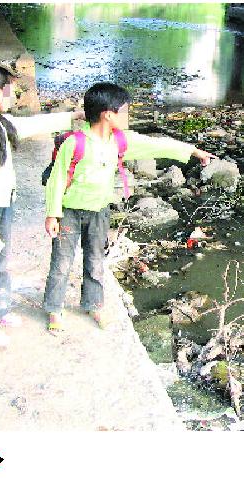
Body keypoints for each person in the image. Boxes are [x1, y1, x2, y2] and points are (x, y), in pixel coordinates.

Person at [43, 82, 216, 333]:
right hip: (69, 211)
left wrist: (193, 150)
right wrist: (52, 214)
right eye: (124, 111)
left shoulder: (121, 141)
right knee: (61, 263)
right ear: (108, 114)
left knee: (95, 261)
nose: (128, 115)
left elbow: (158, 144)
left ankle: (94, 304)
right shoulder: (76, 143)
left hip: (100, 211)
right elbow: (57, 180)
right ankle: (54, 309)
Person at [0, 63, 84, 346]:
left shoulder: (0, 124)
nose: (12, 97)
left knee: (0, 262)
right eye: (9, 91)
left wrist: (73, 115)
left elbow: (31, 125)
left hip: (4, 203)